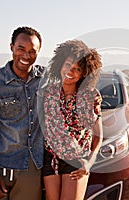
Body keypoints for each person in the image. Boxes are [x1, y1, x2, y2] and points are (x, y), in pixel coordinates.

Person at [0, 26, 44, 200]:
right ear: (12, 47)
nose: (26, 55)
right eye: (21, 48)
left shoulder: (46, 80)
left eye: (32, 51)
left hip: (31, 169)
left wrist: (93, 95)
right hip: (0, 165)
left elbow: (73, 82)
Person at [40, 40, 103, 200]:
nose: (70, 71)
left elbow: (98, 136)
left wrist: (89, 163)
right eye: (67, 65)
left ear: (84, 73)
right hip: (50, 158)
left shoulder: (90, 97)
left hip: (77, 160)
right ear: (60, 65)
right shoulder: (48, 93)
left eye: (77, 69)